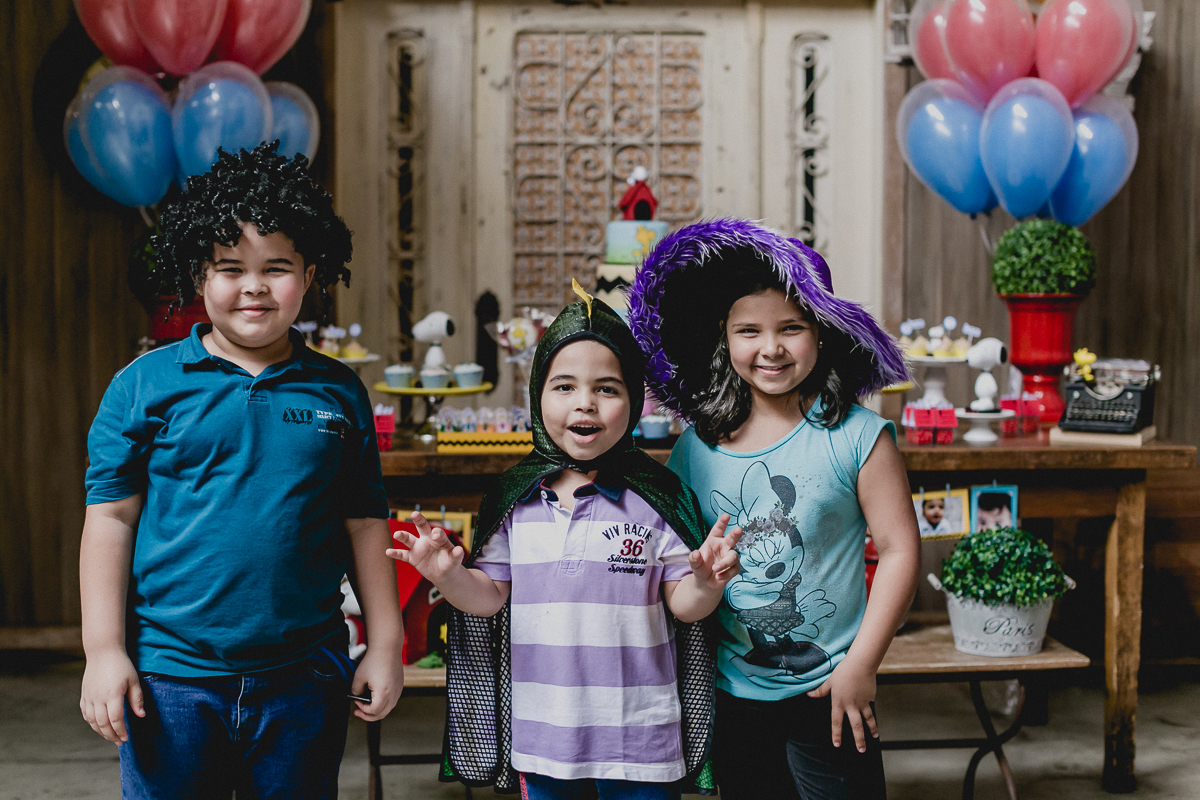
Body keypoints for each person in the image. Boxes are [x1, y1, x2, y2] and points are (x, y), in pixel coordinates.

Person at [80, 142, 403, 798]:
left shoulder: (338, 392)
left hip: (304, 680)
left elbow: (366, 522)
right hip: (170, 678)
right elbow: (110, 520)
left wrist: (387, 641)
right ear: (199, 274)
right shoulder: (143, 387)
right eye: (231, 267)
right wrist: (104, 651)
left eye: (276, 267)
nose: (254, 286)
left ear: (311, 274)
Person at [388, 284, 741, 799]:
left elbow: (683, 608)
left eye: (607, 388)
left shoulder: (658, 496)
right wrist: (447, 575)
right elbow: (488, 599)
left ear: (635, 400)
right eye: (564, 387)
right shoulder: (516, 498)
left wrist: (706, 583)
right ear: (537, 395)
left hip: (641, 737)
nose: (585, 404)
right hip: (545, 736)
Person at [627, 219, 922, 800]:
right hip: (732, 693)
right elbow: (676, 562)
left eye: (792, 327)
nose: (771, 348)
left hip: (831, 689)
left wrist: (860, 666)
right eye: (749, 331)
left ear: (822, 330)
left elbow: (899, 550)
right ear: (724, 337)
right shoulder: (695, 447)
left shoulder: (859, 437)